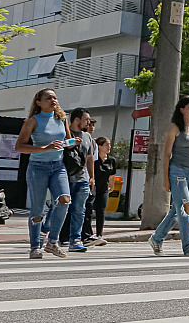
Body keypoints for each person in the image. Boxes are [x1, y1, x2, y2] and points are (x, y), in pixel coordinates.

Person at [14, 89, 73, 259]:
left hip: (58, 166)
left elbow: (66, 143)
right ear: (38, 102)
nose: (53, 100)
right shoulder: (32, 121)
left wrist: (72, 142)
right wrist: (44, 148)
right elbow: (19, 147)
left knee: (65, 200)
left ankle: (52, 242)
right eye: (48, 98)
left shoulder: (61, 118)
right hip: (37, 167)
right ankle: (34, 246)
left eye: (55, 98)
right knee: (38, 209)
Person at [150, 95, 189, 256]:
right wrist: (165, 179)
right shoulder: (174, 128)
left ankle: (157, 238)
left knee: (177, 211)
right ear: (181, 109)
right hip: (177, 172)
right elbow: (167, 154)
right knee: (186, 207)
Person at [60, 108, 95, 254]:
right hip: (64, 178)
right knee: (59, 209)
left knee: (79, 211)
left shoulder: (87, 137)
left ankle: (75, 239)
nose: (89, 122)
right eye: (86, 119)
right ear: (76, 120)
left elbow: (89, 158)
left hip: (81, 179)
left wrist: (91, 177)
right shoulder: (62, 133)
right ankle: (50, 235)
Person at [88, 137, 115, 245]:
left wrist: (111, 186)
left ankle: (99, 234)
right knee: (89, 211)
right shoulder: (94, 160)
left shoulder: (111, 160)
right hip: (93, 188)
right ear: (99, 146)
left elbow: (112, 175)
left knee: (101, 211)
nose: (109, 147)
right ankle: (88, 234)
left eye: (109, 145)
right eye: (106, 145)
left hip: (103, 188)